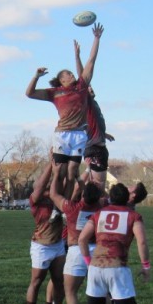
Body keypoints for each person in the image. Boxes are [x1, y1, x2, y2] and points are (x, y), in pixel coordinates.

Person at [78, 183, 151, 304]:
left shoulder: (98, 214)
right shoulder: (133, 216)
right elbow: (141, 242)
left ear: (110, 197)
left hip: (96, 267)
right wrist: (146, 266)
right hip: (117, 267)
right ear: (127, 198)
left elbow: (82, 239)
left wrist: (88, 261)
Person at [25, 23, 104, 190]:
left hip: (79, 135)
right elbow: (29, 93)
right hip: (62, 134)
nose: (72, 74)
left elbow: (91, 61)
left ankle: (64, 207)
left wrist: (96, 39)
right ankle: (56, 203)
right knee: (59, 171)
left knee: (72, 171)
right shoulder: (55, 93)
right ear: (62, 80)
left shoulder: (81, 87)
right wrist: (36, 76)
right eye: (68, 74)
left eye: (72, 72)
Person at [49, 163, 103, 304]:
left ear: (83, 195)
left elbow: (53, 194)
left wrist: (56, 173)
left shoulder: (72, 209)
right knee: (102, 289)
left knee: (70, 290)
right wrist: (83, 178)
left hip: (77, 250)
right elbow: (94, 195)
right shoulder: (101, 207)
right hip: (98, 249)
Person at [25, 160, 66, 304]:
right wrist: (51, 164)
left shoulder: (57, 200)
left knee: (58, 280)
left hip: (57, 245)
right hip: (41, 246)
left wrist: (59, 172)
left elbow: (64, 185)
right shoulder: (35, 201)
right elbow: (40, 186)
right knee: (36, 281)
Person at [83, 86, 115, 187]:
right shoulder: (86, 104)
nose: (92, 89)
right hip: (94, 149)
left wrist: (103, 134)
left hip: (100, 148)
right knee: (98, 185)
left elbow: (93, 125)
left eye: (91, 87)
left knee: (99, 185)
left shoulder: (94, 103)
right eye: (88, 88)